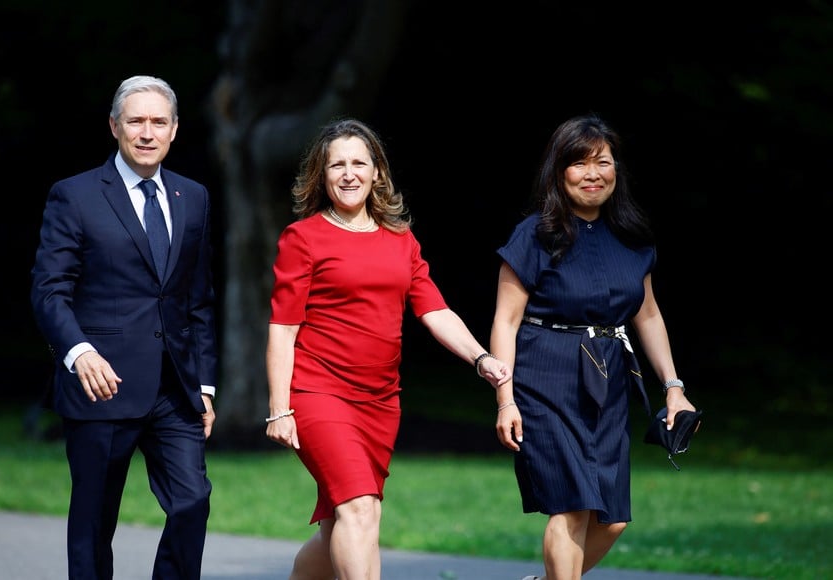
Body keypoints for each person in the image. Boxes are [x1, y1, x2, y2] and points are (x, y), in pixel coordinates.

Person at [265, 118, 511, 580]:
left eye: (359, 162)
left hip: (380, 401)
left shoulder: (400, 240)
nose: (349, 173)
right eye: (336, 164)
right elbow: (283, 328)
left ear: (377, 172)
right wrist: (280, 408)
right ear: (321, 175)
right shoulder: (304, 239)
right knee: (359, 508)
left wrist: (481, 358)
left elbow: (434, 310)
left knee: (346, 518)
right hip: (318, 392)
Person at [488, 114, 697, 580]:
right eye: (579, 164)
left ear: (616, 169)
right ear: (559, 172)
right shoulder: (534, 235)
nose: (592, 174)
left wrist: (674, 387)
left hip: (608, 378)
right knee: (572, 504)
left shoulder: (631, 236)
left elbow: (648, 315)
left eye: (602, 162)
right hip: (543, 376)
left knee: (614, 518)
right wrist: (505, 399)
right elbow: (505, 321)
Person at [30, 75, 218, 579]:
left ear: (175, 130)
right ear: (115, 126)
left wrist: (203, 384)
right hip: (101, 384)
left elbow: (196, 299)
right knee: (94, 524)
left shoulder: (193, 197)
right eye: (136, 120)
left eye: (159, 121)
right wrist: (79, 352)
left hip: (175, 390)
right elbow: (49, 290)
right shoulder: (75, 196)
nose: (147, 132)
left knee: (192, 502)